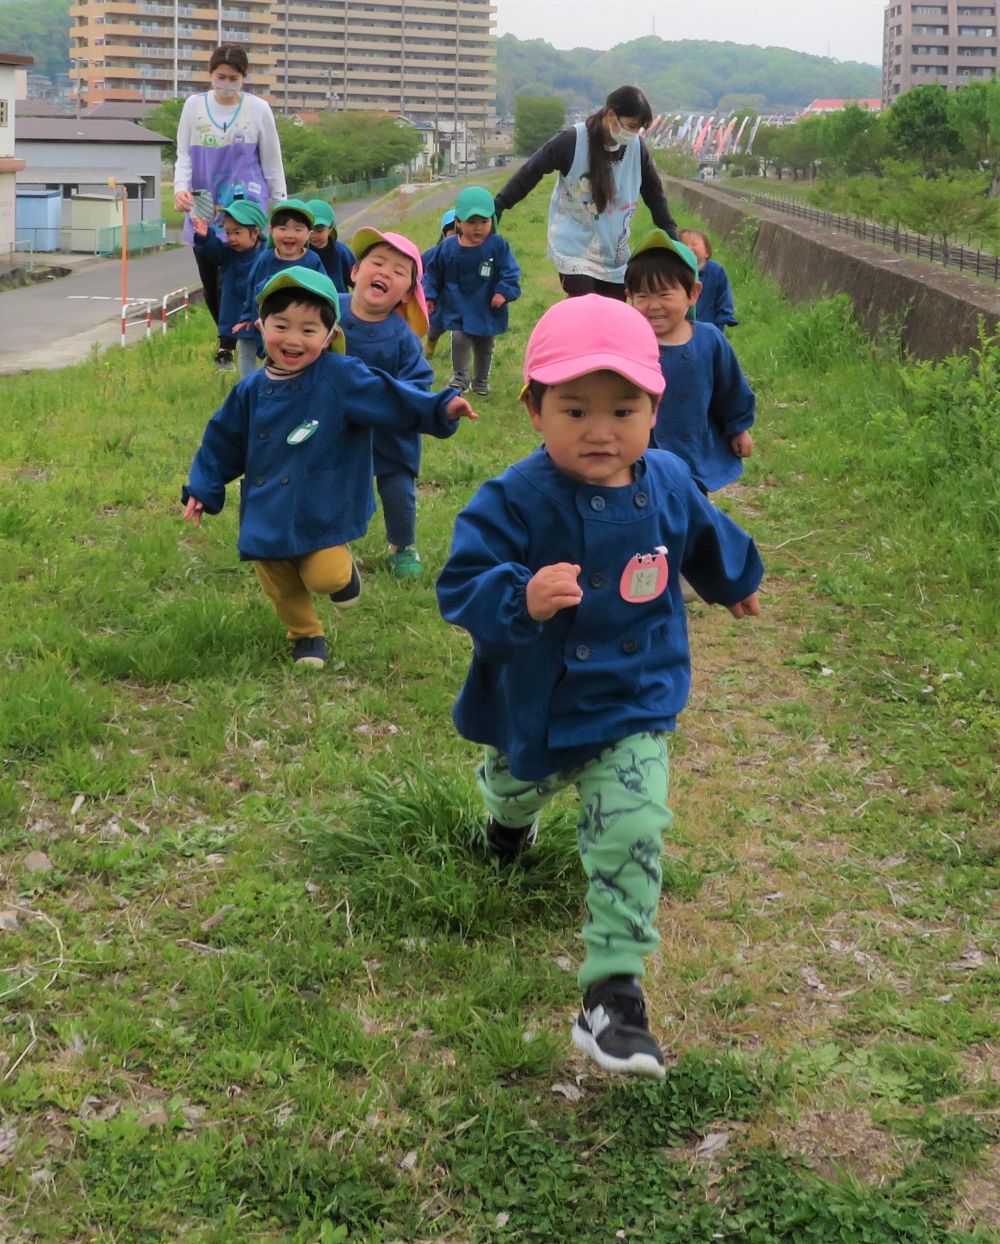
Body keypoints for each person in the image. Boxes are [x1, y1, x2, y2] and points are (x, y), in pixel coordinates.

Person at [436, 295, 763, 1078]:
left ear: (656, 409)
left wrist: (735, 580)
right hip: (535, 699)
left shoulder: (671, 480)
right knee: (516, 786)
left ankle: (612, 996)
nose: (600, 429)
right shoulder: (513, 497)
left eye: (624, 408)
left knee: (633, 825)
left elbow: (707, 539)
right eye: (574, 407)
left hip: (634, 698)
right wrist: (521, 595)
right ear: (534, 409)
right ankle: (506, 821)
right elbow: (463, 584)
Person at [182, 268, 476, 670]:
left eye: (308, 330)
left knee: (325, 577)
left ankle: (346, 577)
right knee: (279, 580)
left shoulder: (340, 377)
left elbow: (390, 395)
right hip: (266, 506)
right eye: (281, 326)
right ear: (261, 326)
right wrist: (203, 486)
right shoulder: (249, 391)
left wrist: (439, 407)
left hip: (321, 502)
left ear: (329, 335)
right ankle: (306, 636)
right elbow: (222, 442)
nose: (292, 339)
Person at [493, 86, 679, 300]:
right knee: (585, 308)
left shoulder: (637, 149)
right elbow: (531, 172)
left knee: (613, 316)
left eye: (638, 128)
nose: (634, 133)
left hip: (613, 251)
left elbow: (654, 193)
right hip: (574, 248)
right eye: (631, 125)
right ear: (611, 115)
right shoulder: (572, 140)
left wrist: (671, 236)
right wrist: (499, 205)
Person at [173, 44, 286, 370]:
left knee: (245, 280)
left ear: (243, 78)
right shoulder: (194, 107)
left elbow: (272, 163)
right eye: (220, 77)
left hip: (247, 209)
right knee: (212, 286)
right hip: (205, 207)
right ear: (210, 75)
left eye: (233, 78)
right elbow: (183, 155)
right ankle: (227, 336)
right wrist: (181, 190)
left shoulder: (258, 109)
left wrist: (280, 210)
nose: (225, 83)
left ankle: (247, 342)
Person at [624, 230, 754, 494]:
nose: (653, 305)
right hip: (641, 458)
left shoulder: (709, 340)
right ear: (630, 296)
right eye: (643, 296)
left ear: (693, 293)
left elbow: (730, 390)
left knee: (692, 516)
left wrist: (738, 428)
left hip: (692, 454)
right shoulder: (628, 343)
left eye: (664, 294)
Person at [339, 227, 435, 579]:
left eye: (398, 272)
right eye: (376, 263)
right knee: (337, 486)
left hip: (390, 432)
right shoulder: (330, 310)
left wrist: (402, 401)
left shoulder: (402, 337)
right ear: (355, 272)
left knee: (398, 491)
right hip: (340, 427)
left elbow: (420, 381)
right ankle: (333, 544)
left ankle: (403, 545)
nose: (384, 272)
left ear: (407, 293)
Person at [422, 187, 521, 397]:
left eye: (484, 222)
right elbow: (433, 272)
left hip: (487, 305)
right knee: (459, 338)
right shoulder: (448, 248)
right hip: (458, 305)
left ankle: (481, 380)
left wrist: (503, 291)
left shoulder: (498, 246)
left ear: (492, 220)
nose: (478, 228)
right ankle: (460, 377)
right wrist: (429, 295)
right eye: (471, 222)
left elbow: (510, 271)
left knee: (485, 344)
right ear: (458, 222)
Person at [233, 200, 325, 354]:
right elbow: (252, 287)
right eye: (282, 228)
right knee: (274, 357)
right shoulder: (265, 259)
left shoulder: (312, 260)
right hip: (272, 322)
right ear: (271, 231)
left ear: (308, 233)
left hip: (303, 324)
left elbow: (325, 290)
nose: (290, 235)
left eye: (298, 229)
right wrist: (247, 315)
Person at [191, 200, 267, 379]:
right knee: (246, 353)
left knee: (272, 352)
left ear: (255, 232)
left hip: (262, 314)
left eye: (237, 232)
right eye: (228, 233)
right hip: (238, 316)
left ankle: (273, 383)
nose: (231, 238)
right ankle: (247, 386)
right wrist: (205, 236)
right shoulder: (228, 254)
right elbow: (213, 252)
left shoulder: (266, 255)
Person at [679, 228, 738, 332]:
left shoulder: (715, 270)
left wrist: (724, 317)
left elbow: (724, 295)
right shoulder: (677, 271)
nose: (689, 248)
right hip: (683, 327)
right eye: (684, 244)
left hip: (710, 325)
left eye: (694, 244)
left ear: (707, 252)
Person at [422, 208, 457, 360]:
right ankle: (431, 342)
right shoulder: (433, 254)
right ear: (444, 233)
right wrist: (427, 295)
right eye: (453, 233)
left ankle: (459, 354)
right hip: (440, 302)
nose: (457, 237)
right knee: (436, 328)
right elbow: (420, 269)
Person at [306, 200, 356, 293]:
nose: (313, 235)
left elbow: (357, 281)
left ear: (330, 229)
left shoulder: (341, 252)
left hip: (338, 302)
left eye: (319, 230)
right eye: (310, 230)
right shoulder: (301, 253)